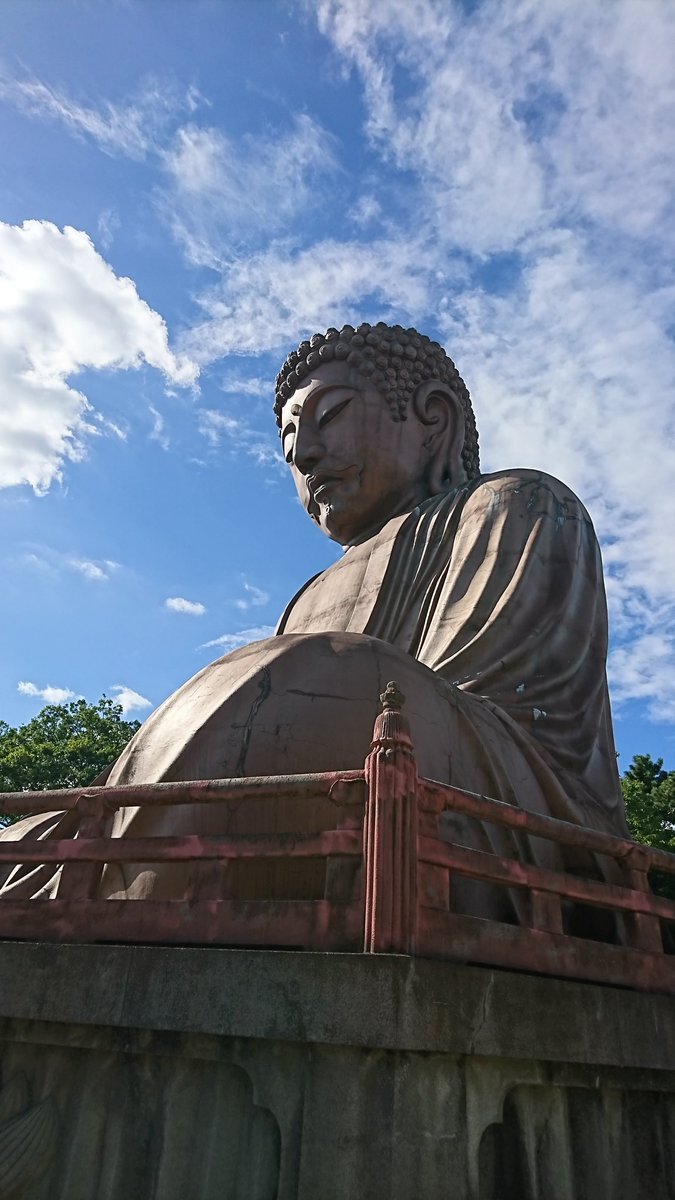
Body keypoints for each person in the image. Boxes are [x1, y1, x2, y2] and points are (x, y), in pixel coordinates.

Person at [0, 323, 628, 922]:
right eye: (289, 444)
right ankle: (94, 870)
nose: (304, 454)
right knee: (28, 831)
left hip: (493, 791)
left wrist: (325, 679)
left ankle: (98, 880)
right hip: (340, 773)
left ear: (433, 419)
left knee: (306, 674)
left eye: (331, 416)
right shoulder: (310, 593)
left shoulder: (516, 504)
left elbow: (469, 713)